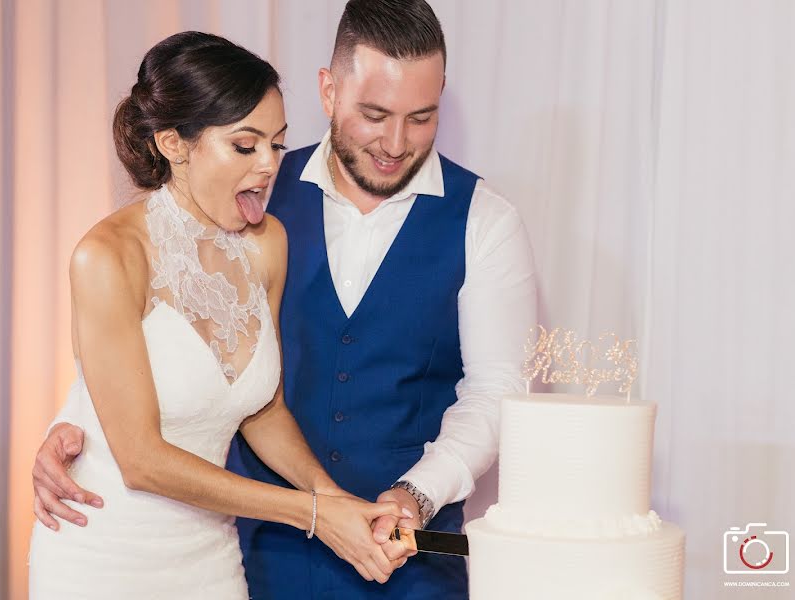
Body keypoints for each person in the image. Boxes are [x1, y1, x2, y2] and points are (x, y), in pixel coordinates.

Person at [33, 1, 537, 598]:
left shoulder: (477, 220)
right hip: (212, 544)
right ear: (329, 92)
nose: (395, 143)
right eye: (374, 114)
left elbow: (492, 392)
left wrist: (388, 496)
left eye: (421, 117)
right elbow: (138, 386)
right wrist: (72, 423)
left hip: (384, 557)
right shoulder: (242, 202)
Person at [27, 30, 408, 600]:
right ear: (174, 145)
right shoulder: (108, 256)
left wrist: (335, 501)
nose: (267, 166)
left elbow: (263, 410)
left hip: (207, 559)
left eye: (277, 145)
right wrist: (310, 514)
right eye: (244, 145)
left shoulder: (266, 243)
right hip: (100, 550)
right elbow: (142, 460)